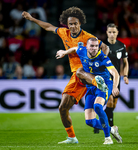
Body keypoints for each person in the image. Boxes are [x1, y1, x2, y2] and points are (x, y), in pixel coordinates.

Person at [22, 7, 109, 144]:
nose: (73, 26)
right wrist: (32, 19)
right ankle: (72, 137)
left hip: (87, 72)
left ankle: (98, 83)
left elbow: (105, 47)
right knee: (63, 108)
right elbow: (49, 27)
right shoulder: (64, 33)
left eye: (75, 23)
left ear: (80, 23)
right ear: (67, 25)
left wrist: (100, 62)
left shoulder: (87, 37)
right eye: (70, 24)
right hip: (77, 76)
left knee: (80, 72)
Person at [56, 37, 122, 144]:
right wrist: (64, 52)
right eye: (92, 46)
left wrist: (115, 86)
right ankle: (112, 129)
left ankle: (107, 138)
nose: (94, 48)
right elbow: (74, 49)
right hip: (91, 86)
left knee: (97, 106)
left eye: (96, 46)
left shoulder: (103, 57)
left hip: (104, 85)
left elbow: (115, 73)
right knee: (90, 121)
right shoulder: (82, 51)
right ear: (87, 47)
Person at [99, 23, 129, 133]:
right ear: (107, 33)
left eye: (114, 32)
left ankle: (101, 122)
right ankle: (111, 128)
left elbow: (125, 62)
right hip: (105, 77)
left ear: (117, 33)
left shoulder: (121, 46)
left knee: (113, 104)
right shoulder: (102, 46)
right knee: (110, 101)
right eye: (110, 32)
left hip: (117, 78)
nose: (112, 34)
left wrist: (125, 75)